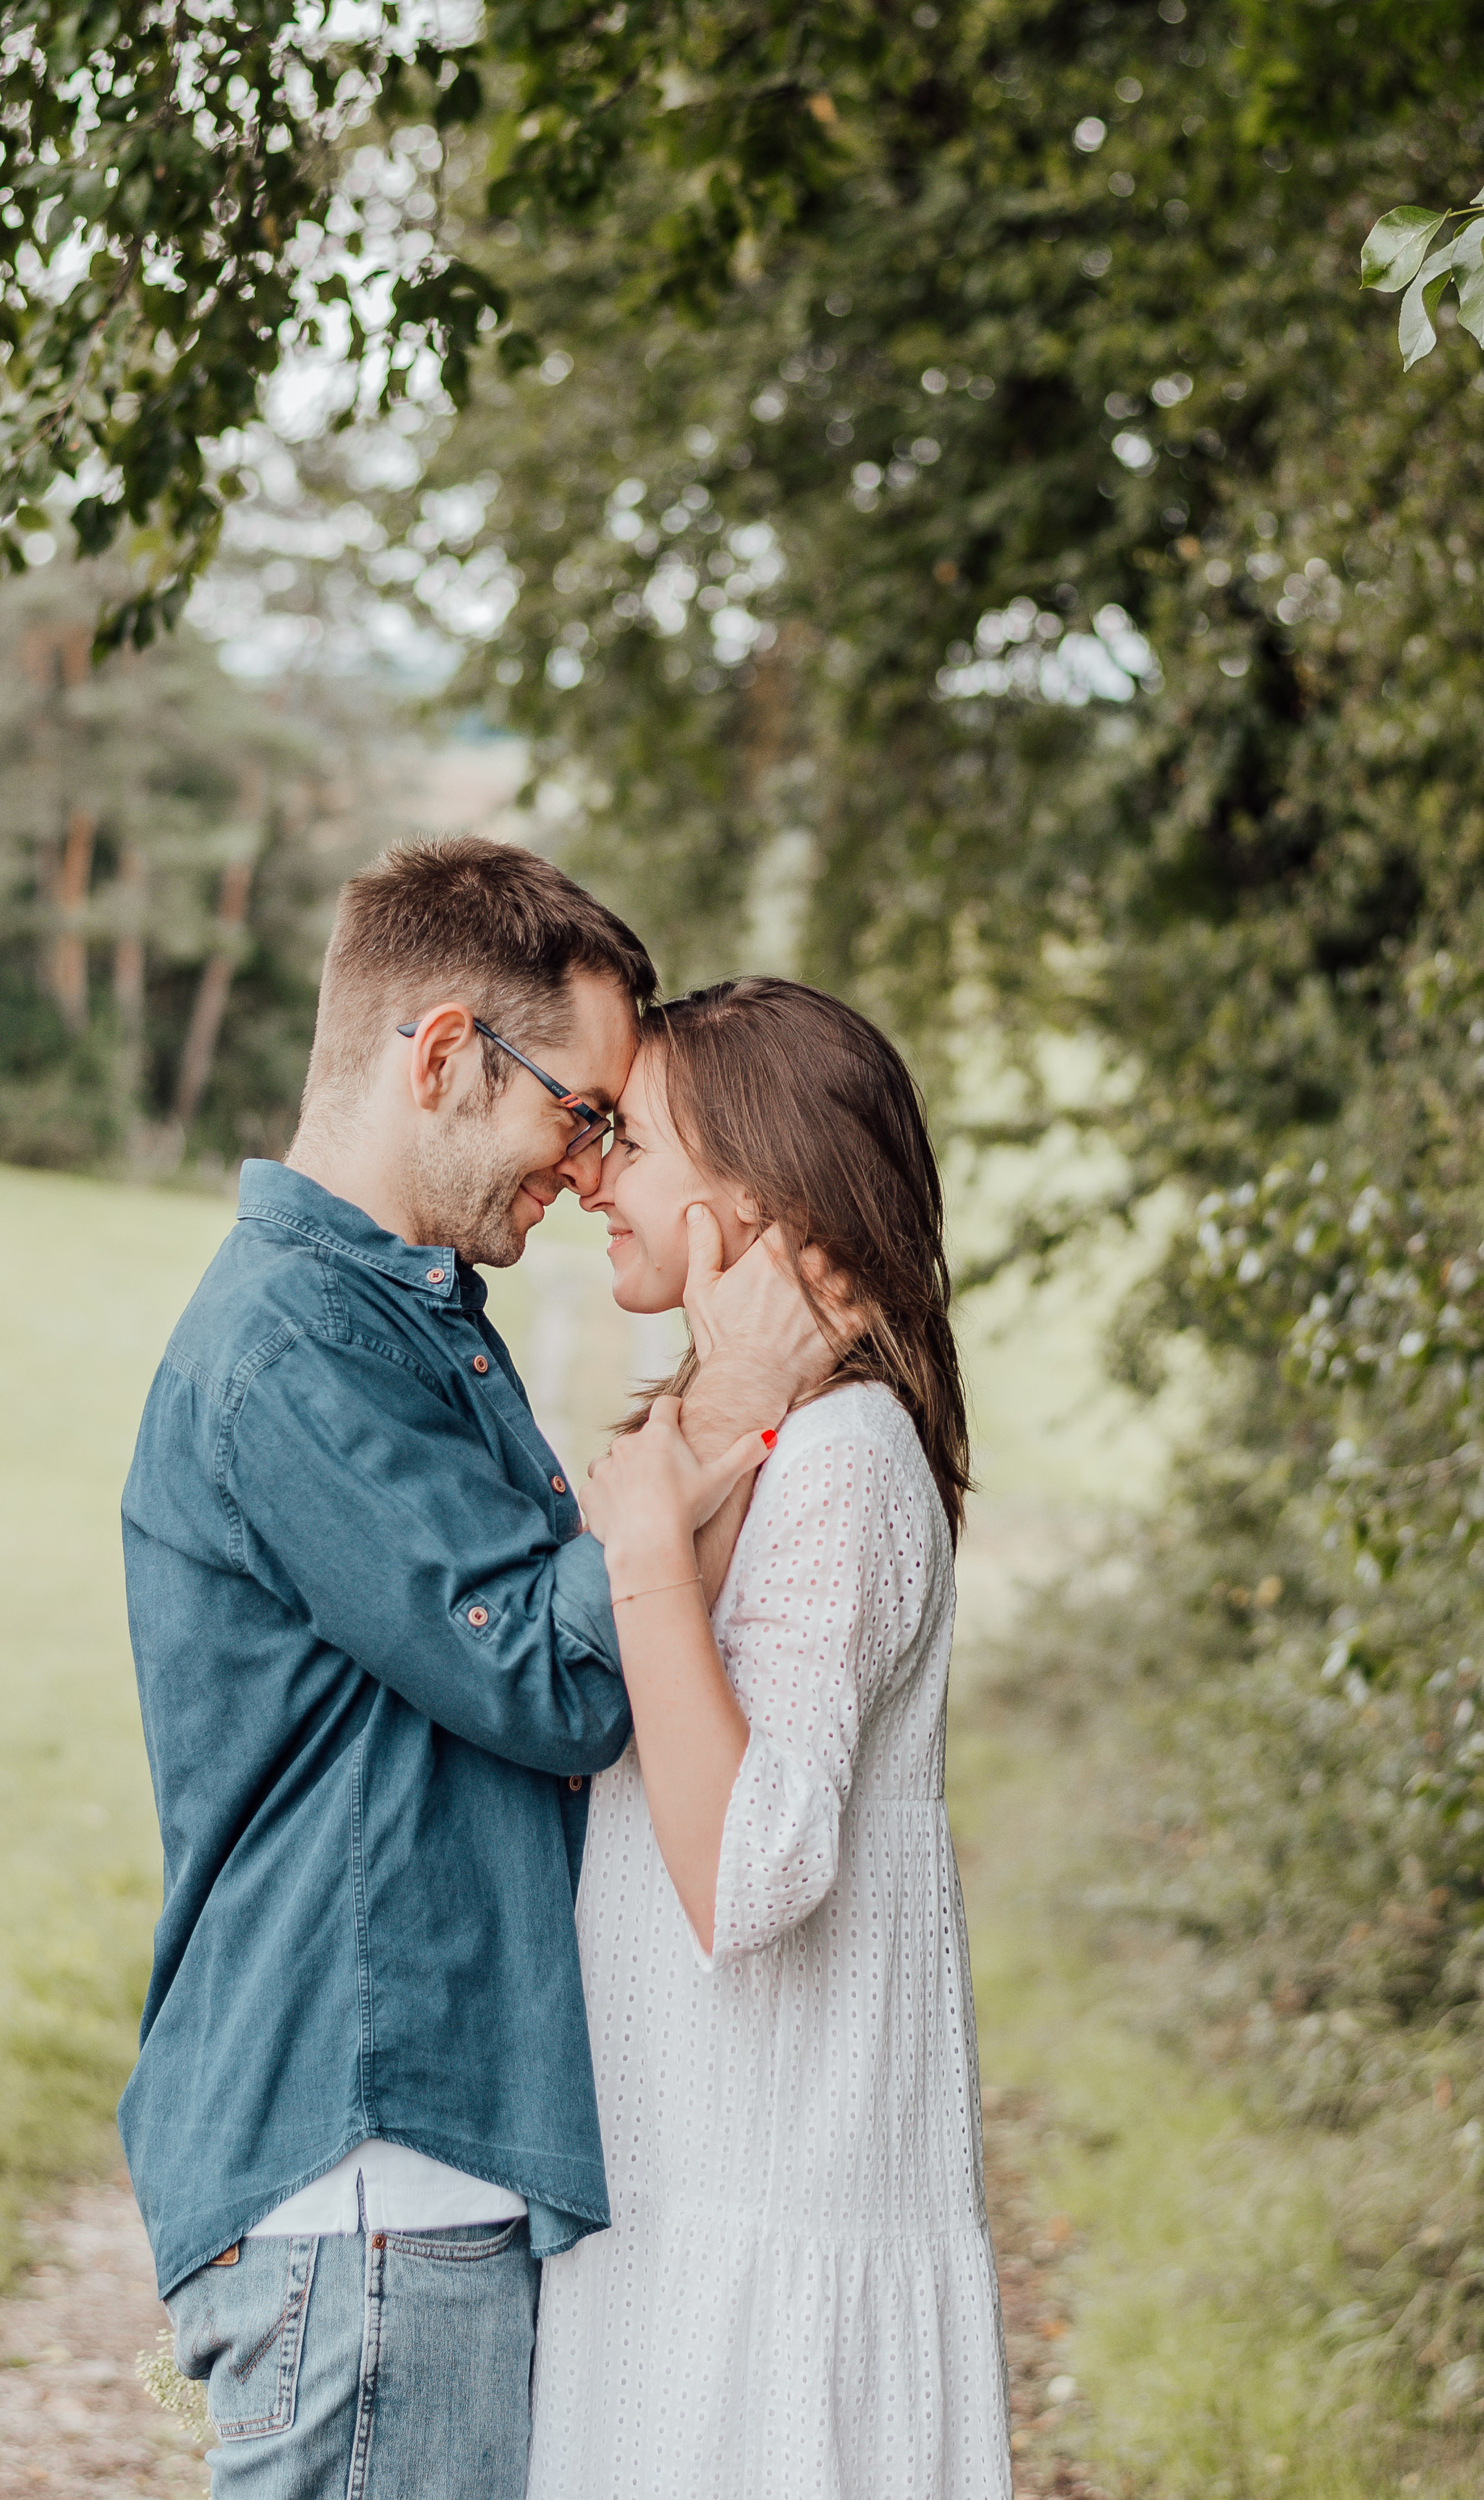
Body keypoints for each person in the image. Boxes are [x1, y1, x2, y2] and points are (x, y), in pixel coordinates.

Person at [119, 842, 831, 2500]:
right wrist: (724, 1414)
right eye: (578, 1110)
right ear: (440, 1055)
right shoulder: (301, 1346)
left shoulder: (407, 1316)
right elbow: (555, 1681)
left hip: (408, 2168)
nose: (590, 1168)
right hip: (369, 2162)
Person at [526, 976, 1011, 2500]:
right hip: (677, 2214)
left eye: (636, 1141)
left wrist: (651, 1554)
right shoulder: (755, 1439)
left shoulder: (847, 1465)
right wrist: (715, 1410)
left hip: (765, 2241)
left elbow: (746, 1873)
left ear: (751, 1198)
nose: (592, 1172)